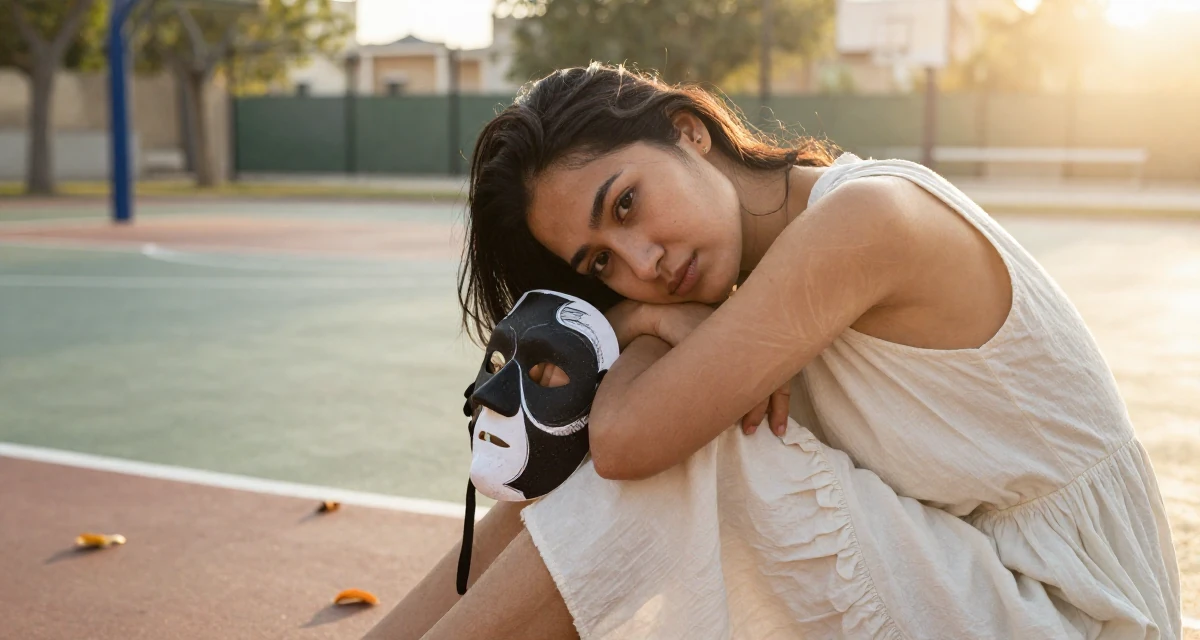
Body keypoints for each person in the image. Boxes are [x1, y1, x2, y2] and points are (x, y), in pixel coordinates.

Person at [365, 63, 1181, 640]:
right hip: (972, 574)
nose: (643, 262)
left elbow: (627, 442)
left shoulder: (863, 221)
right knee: (641, 441)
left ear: (689, 131)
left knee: (686, 456)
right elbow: (615, 433)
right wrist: (647, 324)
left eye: (627, 204)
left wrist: (634, 325)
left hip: (1069, 612)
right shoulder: (734, 269)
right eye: (600, 265)